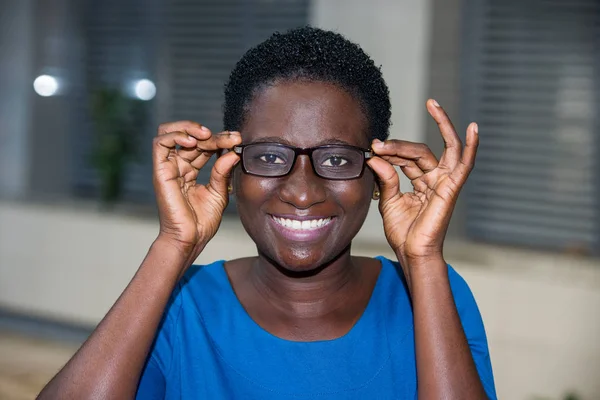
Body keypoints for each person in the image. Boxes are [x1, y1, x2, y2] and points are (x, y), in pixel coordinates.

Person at [38, 27, 496, 399]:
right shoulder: (181, 307)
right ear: (232, 171)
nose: (301, 192)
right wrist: (174, 243)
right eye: (271, 156)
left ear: (376, 178)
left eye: (336, 159)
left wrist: (424, 258)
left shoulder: (432, 295)